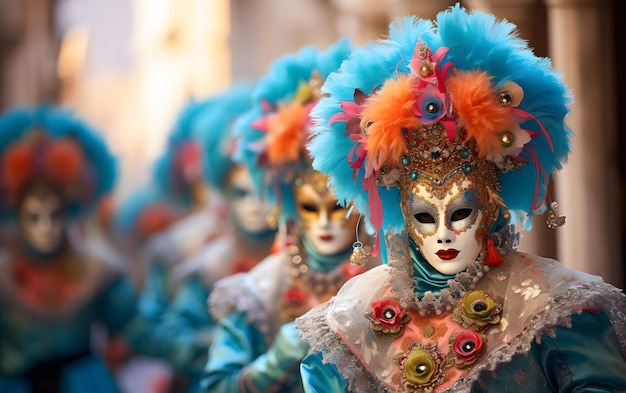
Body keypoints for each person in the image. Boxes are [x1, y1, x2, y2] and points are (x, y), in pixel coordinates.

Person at [295, 5, 626, 392]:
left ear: (490, 206)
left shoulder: (551, 306)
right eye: (424, 216)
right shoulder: (354, 316)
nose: (444, 235)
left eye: (461, 212)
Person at [201, 39, 379, 393]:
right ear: (292, 206)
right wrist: (275, 361)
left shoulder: (385, 276)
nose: (325, 222)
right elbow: (215, 386)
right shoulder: (261, 291)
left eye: (337, 207)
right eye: (310, 208)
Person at [0, 105, 134, 393]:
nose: (45, 227)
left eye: (55, 215)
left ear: (68, 211)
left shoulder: (98, 269)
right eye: (34, 217)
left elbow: (139, 329)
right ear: (18, 215)